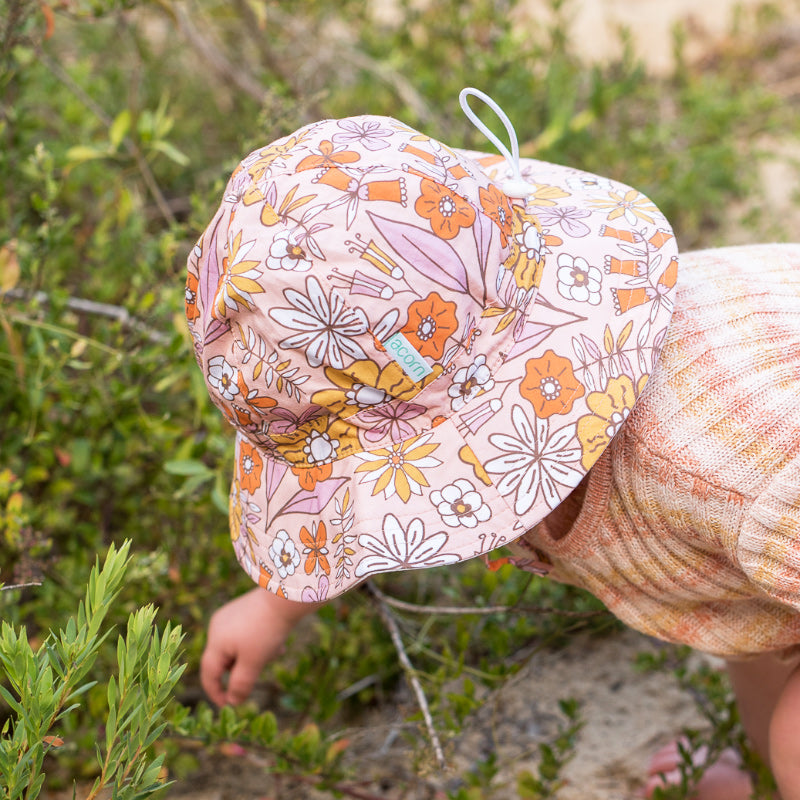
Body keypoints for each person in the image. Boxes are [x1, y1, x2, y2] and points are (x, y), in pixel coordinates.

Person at [185, 91, 800, 799]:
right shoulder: (573, 390)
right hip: (758, 544)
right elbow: (352, 498)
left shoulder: (718, 462)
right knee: (750, 631)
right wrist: (273, 605)